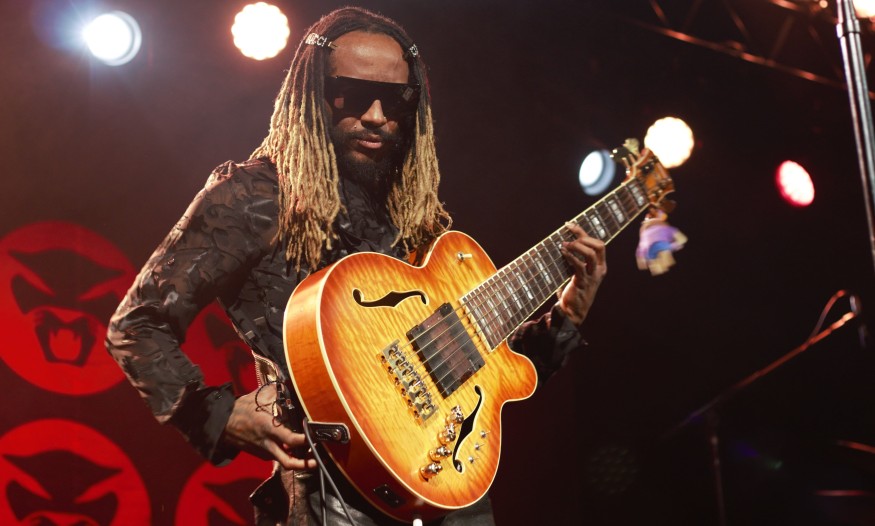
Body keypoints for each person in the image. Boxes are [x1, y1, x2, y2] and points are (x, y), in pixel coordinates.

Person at [105, 6, 607, 525]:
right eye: (352, 93)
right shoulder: (254, 197)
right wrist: (217, 415)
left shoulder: (415, 214)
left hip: (444, 488)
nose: (376, 115)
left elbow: (483, 376)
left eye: (396, 99)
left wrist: (568, 314)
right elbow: (137, 324)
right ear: (312, 94)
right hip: (330, 495)